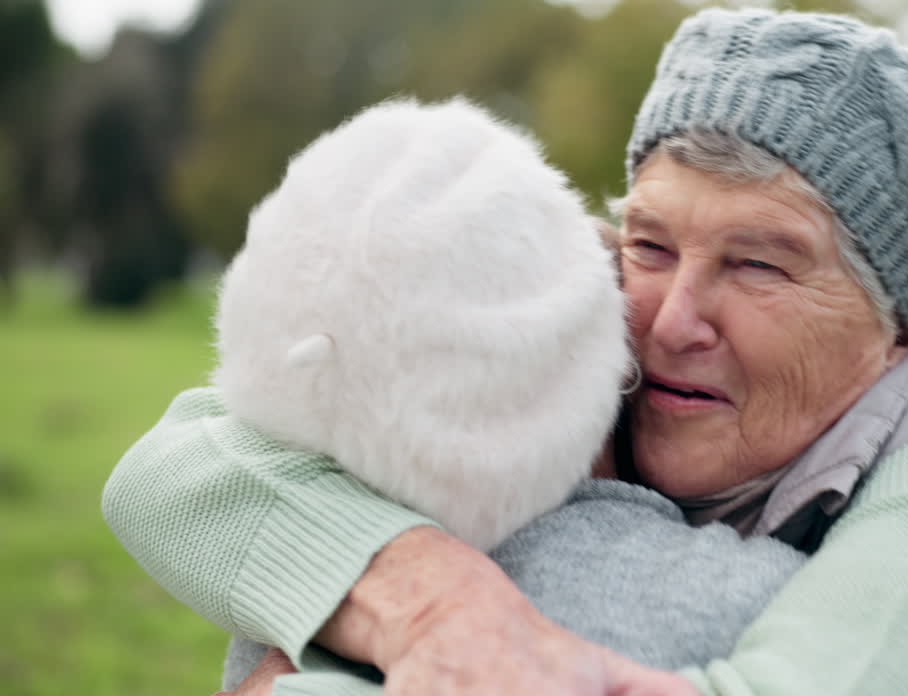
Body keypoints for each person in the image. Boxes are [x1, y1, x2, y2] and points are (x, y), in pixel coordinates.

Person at [103, 7, 908, 695]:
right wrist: (429, 597)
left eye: (758, 265)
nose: (669, 318)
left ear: (896, 322)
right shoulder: (603, 335)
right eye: (648, 241)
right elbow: (186, 455)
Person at [200, 95, 804, 693]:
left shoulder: (298, 576)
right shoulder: (754, 594)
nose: (673, 321)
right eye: (647, 251)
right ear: (607, 357)